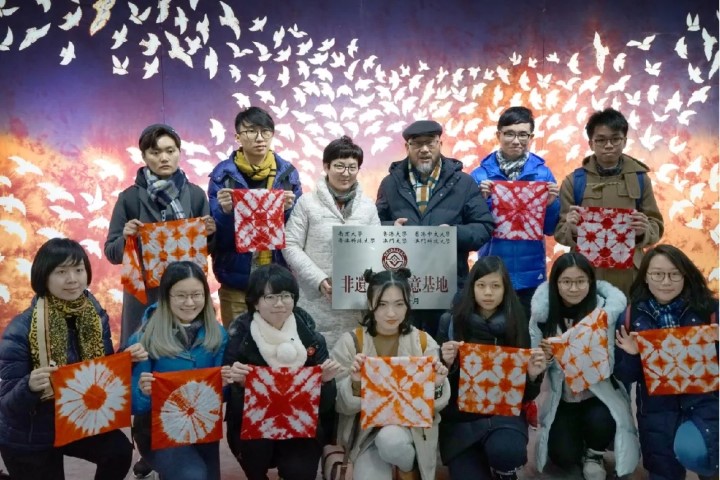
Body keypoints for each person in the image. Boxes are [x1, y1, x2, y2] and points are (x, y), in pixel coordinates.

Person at [0, 238, 146, 480]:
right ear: (43, 277)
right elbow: (7, 405)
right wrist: (29, 386)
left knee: (118, 451)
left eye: (78, 270)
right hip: (30, 434)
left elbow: (102, 371)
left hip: (78, 420)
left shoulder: (94, 314)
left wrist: (126, 359)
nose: (72, 279)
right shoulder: (21, 329)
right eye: (61, 272)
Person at [375, 120, 494, 336]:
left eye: (430, 143)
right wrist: (391, 228)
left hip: (448, 285)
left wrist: (453, 234)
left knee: (445, 347)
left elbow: (484, 227)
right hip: (401, 288)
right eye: (417, 144)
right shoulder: (390, 183)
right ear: (407, 147)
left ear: (440, 143)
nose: (424, 150)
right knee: (404, 346)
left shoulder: (463, 183)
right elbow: (373, 225)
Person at [222, 263, 341, 480]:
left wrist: (325, 382)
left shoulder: (312, 339)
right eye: (270, 297)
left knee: (300, 472)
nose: (280, 303)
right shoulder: (240, 337)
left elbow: (325, 407)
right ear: (255, 302)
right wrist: (238, 384)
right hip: (254, 428)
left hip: (301, 427)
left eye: (286, 296)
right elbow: (228, 399)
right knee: (255, 460)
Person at [331, 268, 451, 480]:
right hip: (365, 433)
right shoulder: (351, 343)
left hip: (410, 431)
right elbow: (340, 405)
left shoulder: (423, 342)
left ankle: (408, 469)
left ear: (408, 304)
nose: (391, 313)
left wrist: (437, 384)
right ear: (370, 304)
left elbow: (436, 406)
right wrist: (356, 383)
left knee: (390, 440)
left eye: (399, 304)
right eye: (382, 304)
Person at [529, 252, 639, 479]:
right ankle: (575, 441)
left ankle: (594, 454)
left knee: (603, 419)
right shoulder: (543, 316)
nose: (574, 288)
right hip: (563, 396)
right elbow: (535, 365)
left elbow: (618, 363)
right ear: (555, 283)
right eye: (566, 282)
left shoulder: (606, 314)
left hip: (597, 393)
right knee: (564, 456)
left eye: (580, 281)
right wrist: (546, 357)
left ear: (590, 282)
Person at [105, 123, 216, 346]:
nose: (164, 158)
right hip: (145, 297)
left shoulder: (195, 195)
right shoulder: (129, 198)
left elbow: (207, 252)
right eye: (155, 153)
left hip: (187, 294)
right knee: (144, 354)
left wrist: (210, 235)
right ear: (144, 156)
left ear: (179, 152)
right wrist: (127, 239)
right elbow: (112, 253)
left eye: (170, 151)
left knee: (189, 353)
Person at [436, 257, 547, 480]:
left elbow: (525, 395)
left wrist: (532, 377)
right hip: (460, 419)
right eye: (481, 285)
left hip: (504, 416)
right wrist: (445, 364)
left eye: (495, 286)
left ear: (505, 289)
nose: (488, 292)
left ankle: (503, 470)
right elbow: (439, 390)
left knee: (507, 452)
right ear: (471, 287)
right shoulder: (451, 322)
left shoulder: (518, 322)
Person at [614, 244, 719, 480]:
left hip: (703, 403)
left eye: (674, 274)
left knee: (702, 455)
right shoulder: (631, 316)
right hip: (656, 411)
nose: (666, 282)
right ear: (645, 277)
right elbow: (625, 375)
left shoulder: (710, 310)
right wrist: (631, 354)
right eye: (657, 274)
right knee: (664, 471)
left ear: (686, 275)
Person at [129, 261, 228, 480]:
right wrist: (143, 392)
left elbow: (221, 395)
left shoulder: (218, 335)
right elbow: (132, 405)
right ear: (166, 297)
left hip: (202, 428)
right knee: (193, 476)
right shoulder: (143, 339)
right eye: (181, 296)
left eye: (196, 295)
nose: (190, 302)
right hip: (157, 430)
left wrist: (228, 382)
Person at [208, 106, 302, 328]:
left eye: (265, 131)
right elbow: (216, 235)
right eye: (251, 131)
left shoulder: (288, 174)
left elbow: (297, 230)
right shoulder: (223, 175)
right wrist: (226, 213)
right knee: (237, 343)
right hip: (236, 281)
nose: (259, 138)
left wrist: (287, 210)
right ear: (237, 137)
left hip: (277, 279)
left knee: (277, 342)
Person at [554, 108, 664, 296]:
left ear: (625, 141)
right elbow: (559, 230)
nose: (609, 145)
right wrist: (572, 229)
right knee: (588, 313)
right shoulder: (574, 181)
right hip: (585, 273)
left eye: (615, 139)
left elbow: (656, 226)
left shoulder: (640, 179)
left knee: (626, 314)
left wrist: (643, 231)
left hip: (629, 273)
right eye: (601, 140)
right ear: (591, 143)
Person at [284, 135, 380, 350]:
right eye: (339, 166)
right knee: (316, 357)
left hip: (355, 303)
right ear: (326, 166)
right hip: (316, 299)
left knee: (352, 357)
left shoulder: (367, 206)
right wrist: (318, 278)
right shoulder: (307, 203)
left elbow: (375, 248)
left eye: (352, 167)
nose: (346, 173)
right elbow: (290, 244)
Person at [471, 107, 560, 320]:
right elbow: (472, 229)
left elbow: (550, 229)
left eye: (523, 135)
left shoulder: (542, 174)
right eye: (509, 134)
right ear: (498, 135)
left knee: (527, 331)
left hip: (531, 272)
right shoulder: (479, 175)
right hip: (492, 271)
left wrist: (551, 204)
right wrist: (481, 201)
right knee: (492, 331)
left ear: (531, 137)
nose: (516, 140)